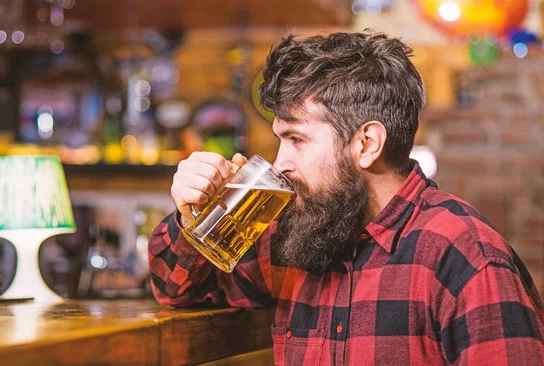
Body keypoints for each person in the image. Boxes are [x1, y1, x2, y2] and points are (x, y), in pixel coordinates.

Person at [148, 31, 544, 365]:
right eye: (279, 140)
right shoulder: (302, 232)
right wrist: (192, 218)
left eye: (296, 140)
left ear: (366, 144)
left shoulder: (466, 256)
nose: (279, 164)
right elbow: (178, 290)